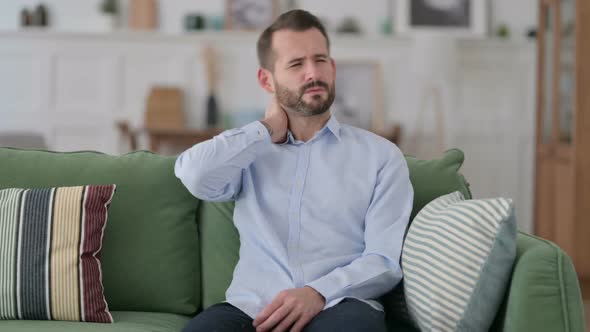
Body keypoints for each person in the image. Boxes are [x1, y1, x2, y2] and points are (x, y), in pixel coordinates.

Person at [175, 9, 413, 332]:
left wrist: (318, 292)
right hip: (252, 311)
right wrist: (265, 129)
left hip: (340, 307)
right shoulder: (248, 154)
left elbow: (383, 261)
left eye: (320, 60)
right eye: (296, 64)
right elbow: (193, 174)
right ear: (266, 80)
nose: (312, 73)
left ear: (333, 66)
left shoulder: (381, 157)